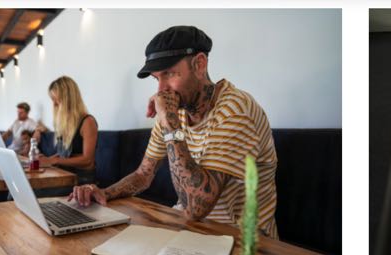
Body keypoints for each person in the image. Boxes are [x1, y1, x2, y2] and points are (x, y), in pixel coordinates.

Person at [69, 26, 278, 238]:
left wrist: (169, 122)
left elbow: (196, 208)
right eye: (156, 79)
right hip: (192, 231)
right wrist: (103, 192)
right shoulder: (174, 110)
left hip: (244, 246)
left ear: (200, 64)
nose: (161, 90)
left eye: (169, 74)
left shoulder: (234, 110)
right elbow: (143, 175)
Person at [39, 76, 98, 187]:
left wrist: (54, 161)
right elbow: (65, 154)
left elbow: (87, 160)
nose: (54, 104)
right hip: (65, 175)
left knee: (34, 192)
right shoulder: (67, 123)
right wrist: (46, 160)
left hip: (82, 181)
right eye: (52, 100)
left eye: (56, 100)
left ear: (68, 99)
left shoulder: (87, 122)